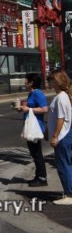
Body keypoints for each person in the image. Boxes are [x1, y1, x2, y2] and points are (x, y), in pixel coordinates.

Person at [47, 69, 72, 205]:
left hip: (63, 136)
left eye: (51, 79)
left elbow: (61, 119)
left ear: (57, 81)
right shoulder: (62, 96)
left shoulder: (61, 97)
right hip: (64, 135)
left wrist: (55, 136)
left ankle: (69, 194)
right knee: (66, 164)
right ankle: (68, 192)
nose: (49, 81)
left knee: (63, 165)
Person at [19, 73, 48, 187]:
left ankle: (42, 178)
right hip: (30, 126)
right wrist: (23, 109)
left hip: (35, 127)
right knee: (34, 153)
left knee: (37, 153)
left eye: (26, 80)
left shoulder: (38, 93)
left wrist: (28, 109)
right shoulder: (31, 93)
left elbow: (44, 109)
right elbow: (30, 108)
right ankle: (38, 175)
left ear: (31, 82)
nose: (24, 82)